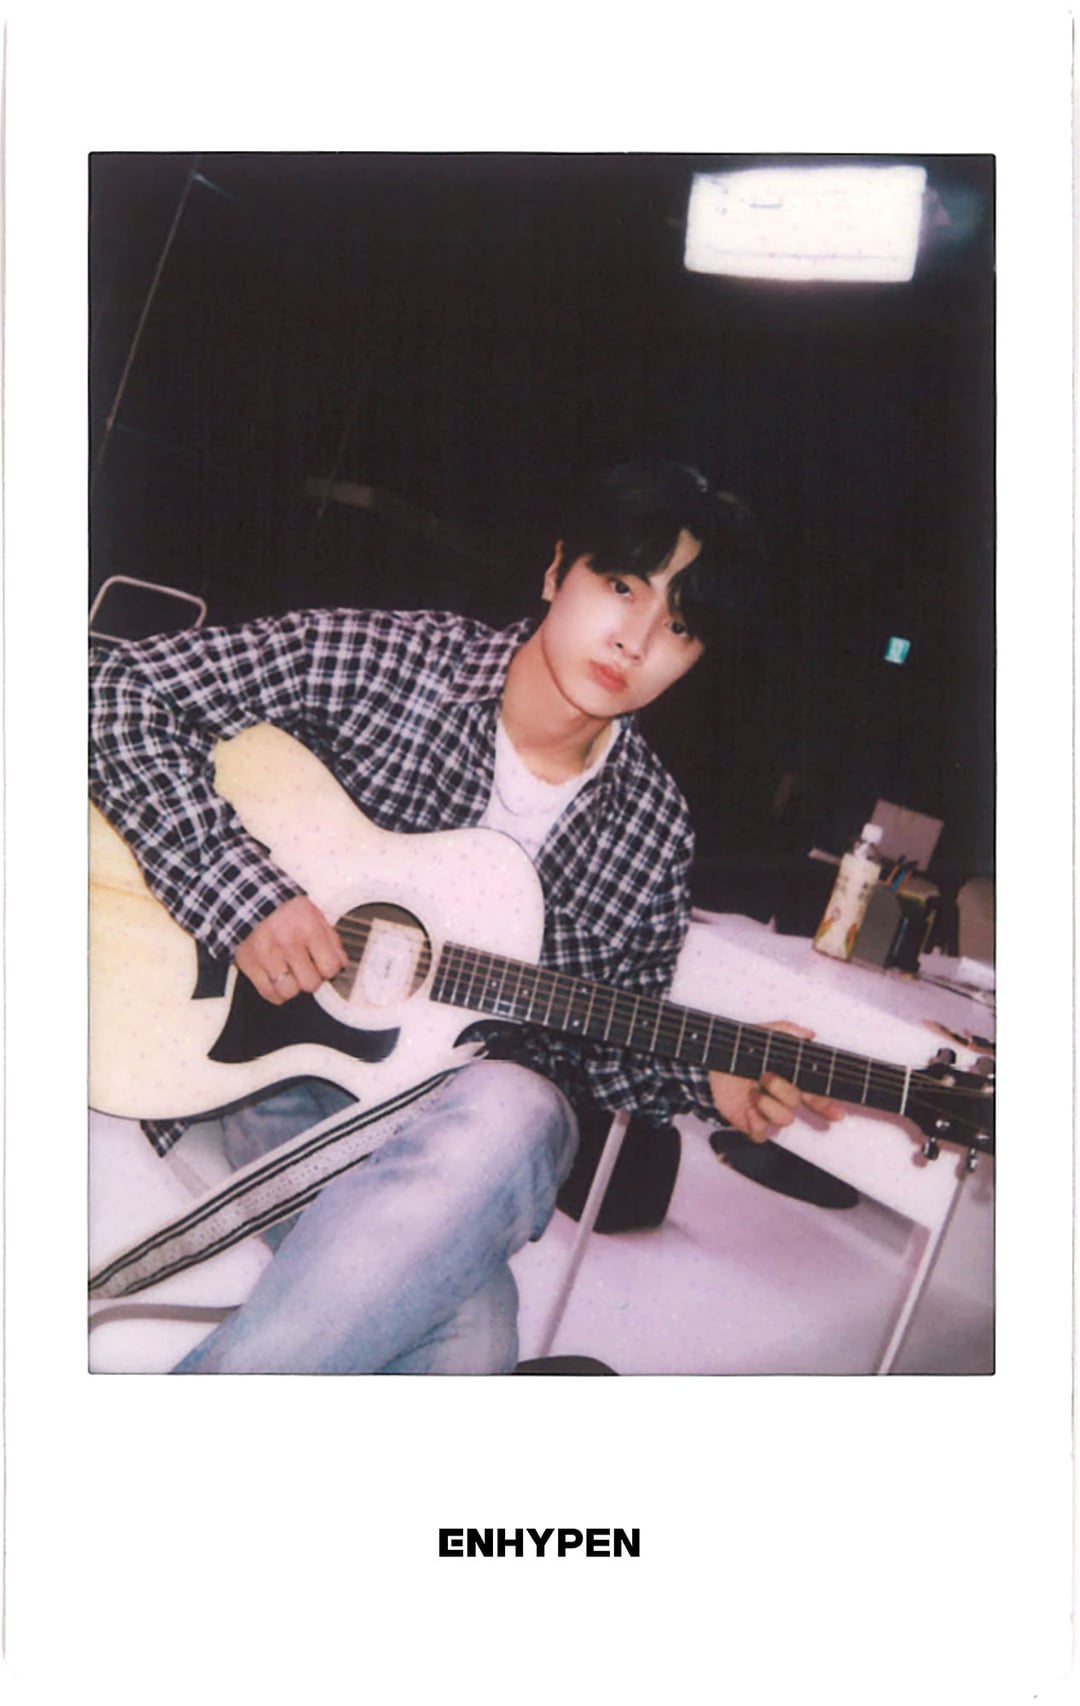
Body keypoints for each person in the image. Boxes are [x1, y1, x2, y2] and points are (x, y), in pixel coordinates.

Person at [89, 459, 843, 1374]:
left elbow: (592, 1045)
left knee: (522, 1108)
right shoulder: (388, 662)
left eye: (680, 627)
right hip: (254, 1070)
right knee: (471, 1344)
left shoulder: (653, 828)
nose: (636, 640)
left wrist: (707, 1080)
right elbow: (112, 690)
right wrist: (247, 897)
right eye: (621, 586)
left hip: (441, 1128)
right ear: (556, 571)